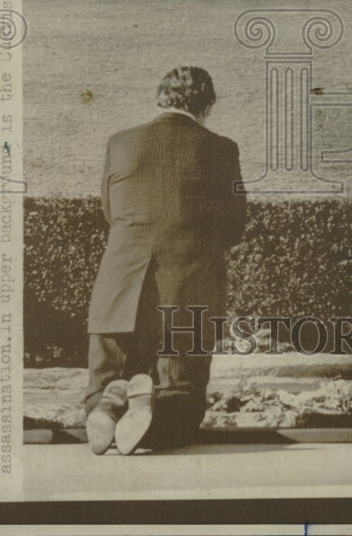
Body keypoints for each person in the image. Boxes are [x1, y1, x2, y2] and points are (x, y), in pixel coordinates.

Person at [84, 65, 246, 454]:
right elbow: (234, 225)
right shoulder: (221, 149)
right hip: (187, 289)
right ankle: (149, 411)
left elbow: (110, 212)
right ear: (207, 105)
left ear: (160, 98)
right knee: (182, 399)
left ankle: (109, 404)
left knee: (103, 380)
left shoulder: (119, 142)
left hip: (118, 288)